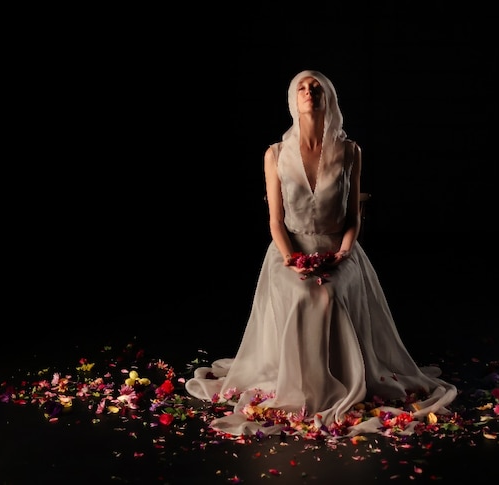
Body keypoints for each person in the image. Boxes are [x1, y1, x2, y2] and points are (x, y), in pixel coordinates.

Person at [185, 70, 457, 438]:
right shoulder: (275, 155)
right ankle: (303, 387)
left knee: (329, 293)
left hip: (339, 251)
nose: (310, 93)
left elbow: (353, 218)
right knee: (303, 292)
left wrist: (344, 252)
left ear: (329, 98)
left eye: (317, 88)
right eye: (302, 88)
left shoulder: (350, 152)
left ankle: (337, 382)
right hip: (290, 250)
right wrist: (290, 258)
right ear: (292, 100)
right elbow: (276, 222)